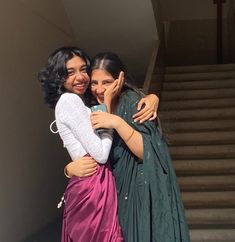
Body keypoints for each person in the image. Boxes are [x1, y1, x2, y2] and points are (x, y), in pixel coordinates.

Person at [38, 47, 159, 242]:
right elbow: (101, 154)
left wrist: (152, 97)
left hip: (94, 181)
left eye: (83, 69)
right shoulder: (69, 100)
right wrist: (109, 107)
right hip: (93, 185)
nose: (80, 77)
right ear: (58, 76)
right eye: (70, 72)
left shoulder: (83, 101)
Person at [67, 52, 190, 242]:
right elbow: (86, 149)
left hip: (134, 196)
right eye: (94, 83)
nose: (99, 89)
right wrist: (69, 169)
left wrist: (117, 122)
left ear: (120, 79)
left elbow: (148, 151)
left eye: (106, 82)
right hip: (105, 198)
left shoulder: (132, 102)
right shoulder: (90, 107)